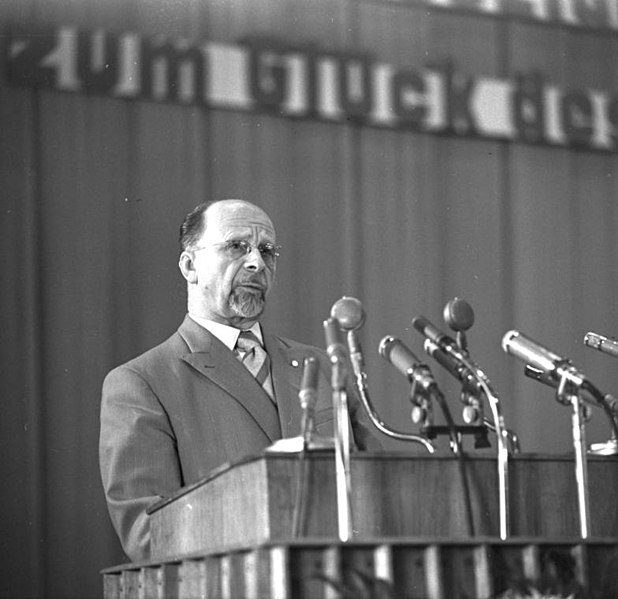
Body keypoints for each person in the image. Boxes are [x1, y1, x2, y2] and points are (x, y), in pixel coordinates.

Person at [99, 199, 379, 562]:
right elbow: (150, 534)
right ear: (189, 265)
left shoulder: (323, 365)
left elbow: (377, 485)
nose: (256, 262)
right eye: (236, 247)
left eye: (267, 251)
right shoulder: (141, 383)